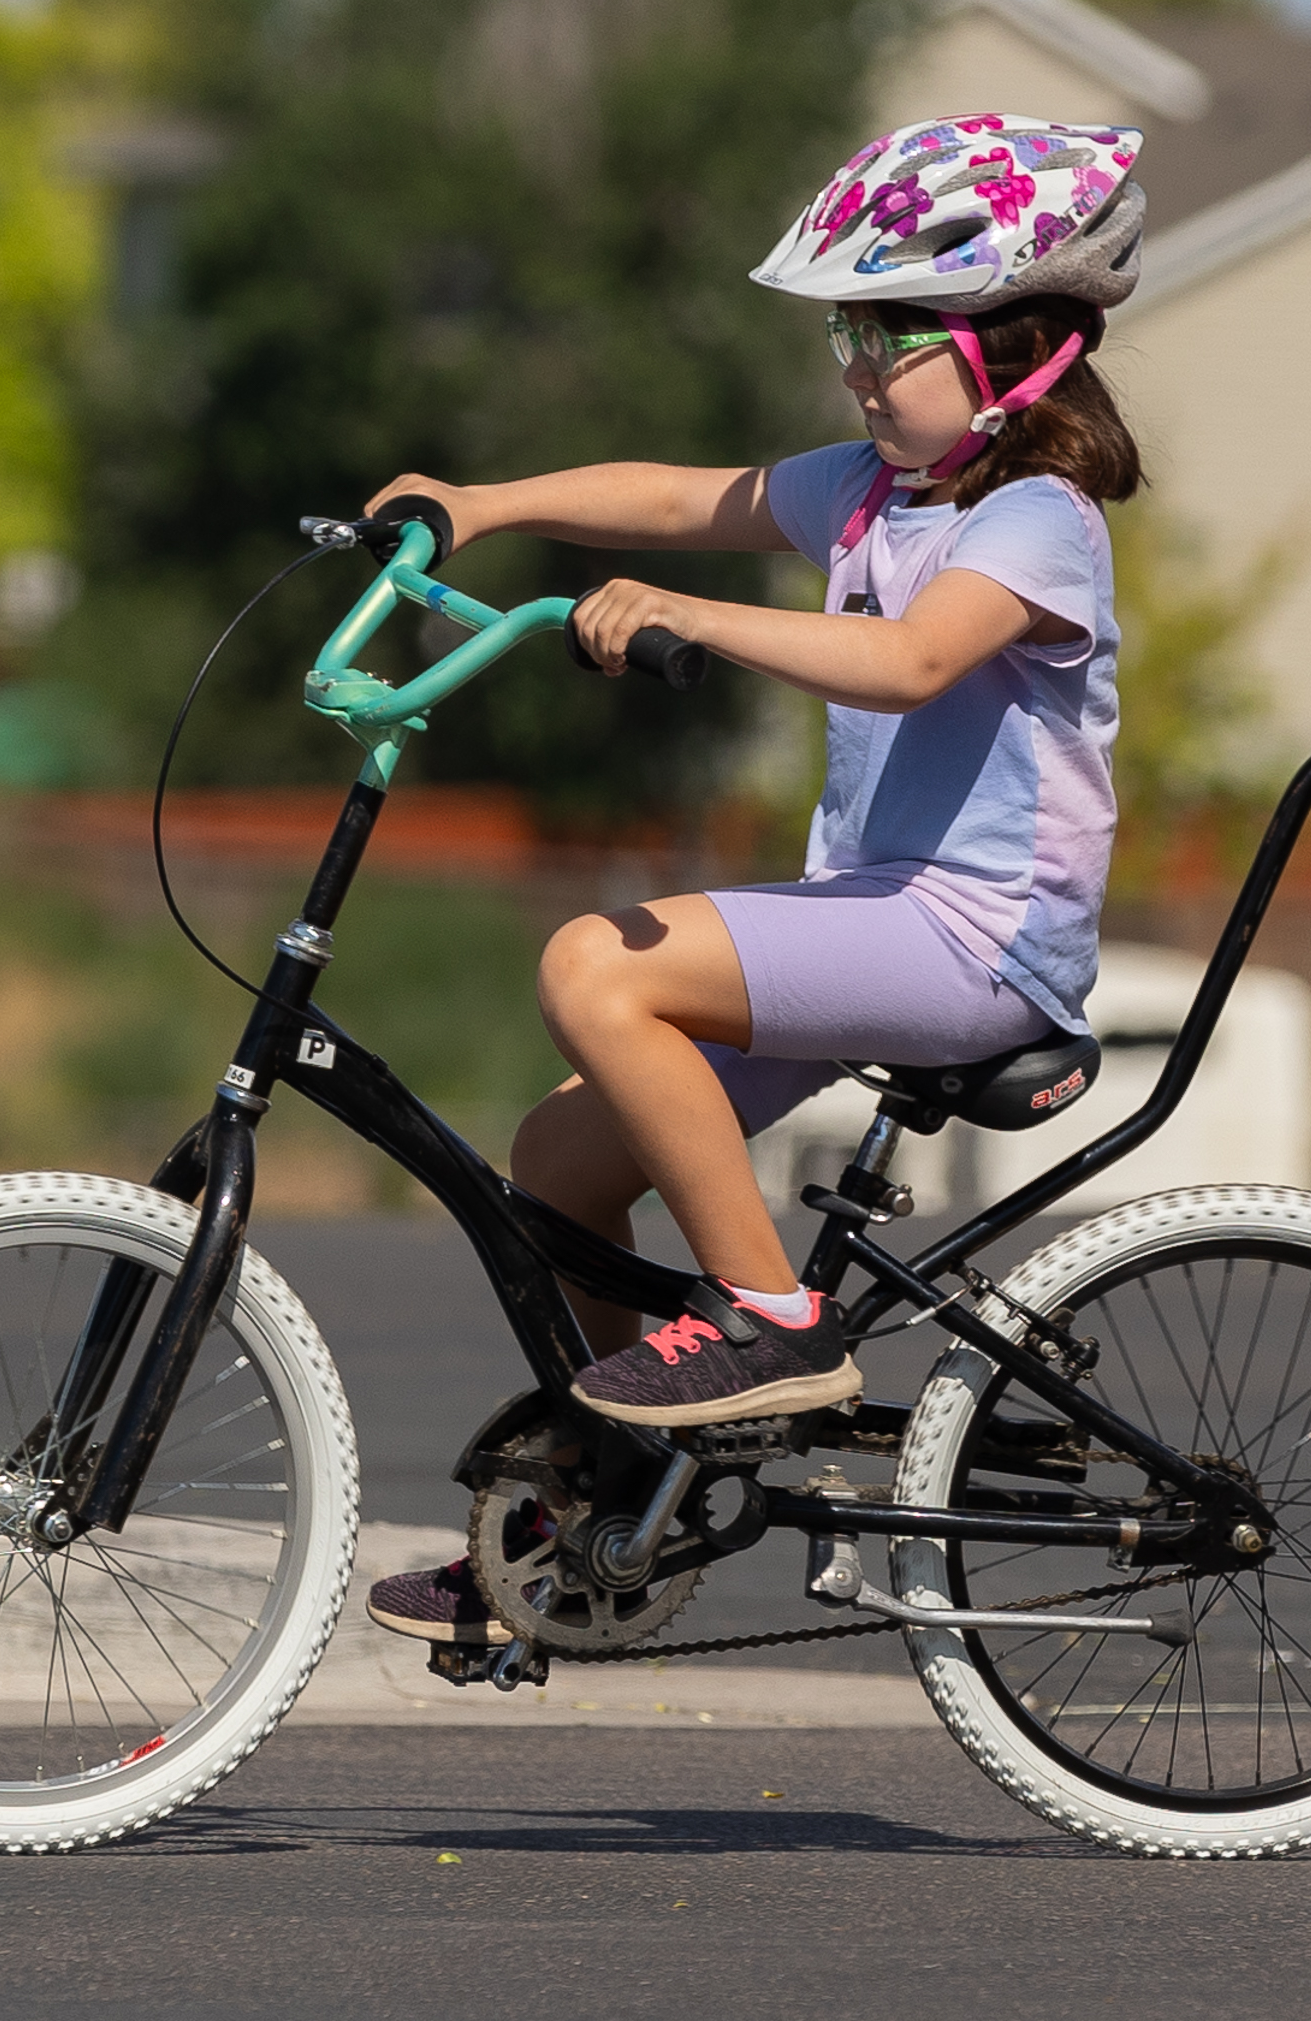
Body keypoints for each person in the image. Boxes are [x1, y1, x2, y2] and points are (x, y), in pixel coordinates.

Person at [351, 114, 1147, 1651]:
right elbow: (684, 498)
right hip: (875, 916)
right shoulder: (870, 490)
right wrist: (495, 503)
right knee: (560, 1161)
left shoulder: (1037, 522)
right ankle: (610, 1498)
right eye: (850, 330)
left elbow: (912, 662)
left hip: (978, 942)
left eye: (894, 335)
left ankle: (768, 1317)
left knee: (598, 965)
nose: (858, 366)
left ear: (1021, 351)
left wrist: (694, 622)